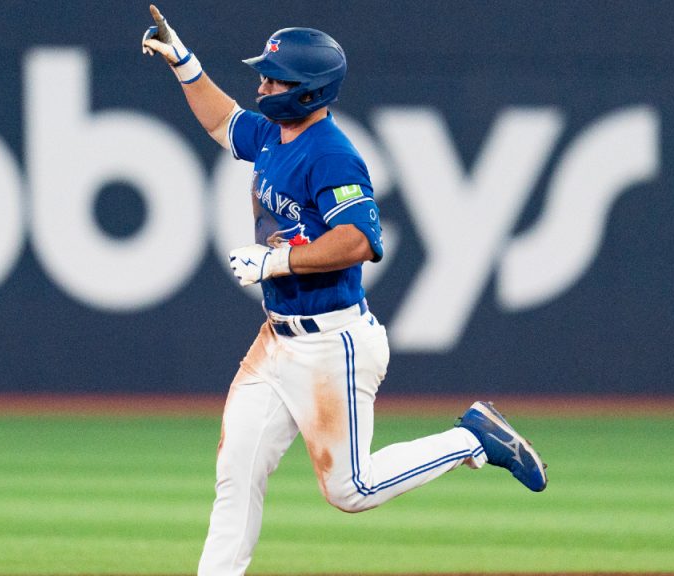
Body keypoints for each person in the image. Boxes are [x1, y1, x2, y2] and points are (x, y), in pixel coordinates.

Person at [141, 6, 547, 575]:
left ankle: (472, 439)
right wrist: (184, 62)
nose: (262, 85)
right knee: (237, 472)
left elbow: (360, 239)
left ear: (309, 93)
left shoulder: (330, 153)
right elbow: (222, 121)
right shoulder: (277, 135)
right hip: (275, 341)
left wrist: (276, 259)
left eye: (275, 78)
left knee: (350, 490)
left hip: (333, 345)